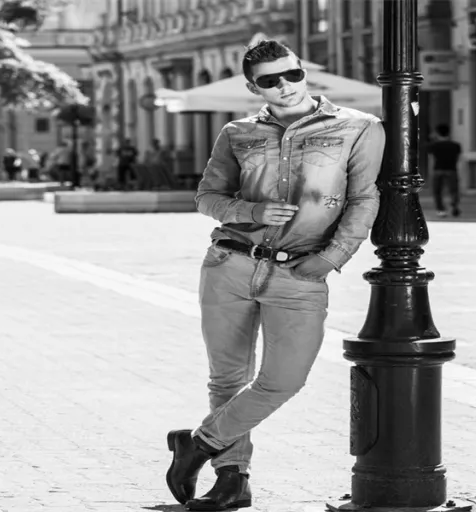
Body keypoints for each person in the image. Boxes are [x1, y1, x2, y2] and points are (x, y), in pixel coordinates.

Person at [166, 39, 385, 511]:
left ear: (304, 72)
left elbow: (365, 198)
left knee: (283, 381)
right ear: (253, 86)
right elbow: (207, 196)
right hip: (230, 262)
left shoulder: (358, 127)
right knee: (227, 379)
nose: (284, 86)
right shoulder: (237, 132)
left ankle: (197, 445)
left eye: (292, 74)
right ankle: (232, 481)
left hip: (300, 273)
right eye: (269, 80)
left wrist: (332, 257)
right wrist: (253, 210)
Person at [426, 124, 462, 217]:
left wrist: (431, 172)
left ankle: (440, 209)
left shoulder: (433, 146)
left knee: (437, 191)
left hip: (438, 170)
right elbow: (459, 159)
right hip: (451, 169)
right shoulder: (456, 145)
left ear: (437, 134)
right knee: (453, 190)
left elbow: (431, 159)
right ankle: (454, 205)